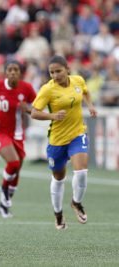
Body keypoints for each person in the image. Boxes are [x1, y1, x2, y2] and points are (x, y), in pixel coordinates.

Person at [31, 55, 97, 230]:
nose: (55, 75)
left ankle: (76, 203)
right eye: (51, 72)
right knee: (59, 179)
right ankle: (58, 214)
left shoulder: (78, 80)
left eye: (58, 71)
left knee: (82, 172)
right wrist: (52, 116)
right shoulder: (47, 90)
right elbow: (34, 113)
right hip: (57, 140)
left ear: (67, 69)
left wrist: (90, 105)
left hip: (77, 133)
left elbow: (86, 91)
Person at [0, 59, 36, 218]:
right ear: (5, 72)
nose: (12, 72)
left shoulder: (27, 88)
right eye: (9, 70)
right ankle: (3, 189)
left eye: (15, 70)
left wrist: (29, 110)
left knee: (17, 171)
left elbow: (37, 109)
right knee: (14, 162)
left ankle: (3, 206)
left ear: (20, 73)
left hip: (18, 134)